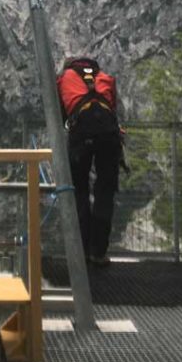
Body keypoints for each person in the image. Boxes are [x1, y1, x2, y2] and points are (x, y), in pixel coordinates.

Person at [56, 56, 122, 267]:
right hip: (108, 133)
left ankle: (81, 250)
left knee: (78, 190)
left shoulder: (64, 78)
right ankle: (98, 252)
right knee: (105, 191)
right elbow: (112, 110)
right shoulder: (105, 78)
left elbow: (60, 114)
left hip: (81, 132)